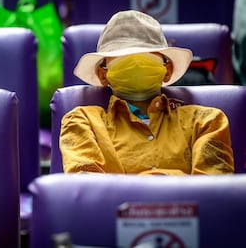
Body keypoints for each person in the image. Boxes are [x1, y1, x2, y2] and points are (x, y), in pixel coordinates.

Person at [60, 10, 234, 175]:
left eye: (147, 56)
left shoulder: (205, 122)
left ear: (167, 69)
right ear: (102, 74)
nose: (136, 63)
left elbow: (212, 195)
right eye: (122, 57)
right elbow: (88, 193)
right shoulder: (82, 122)